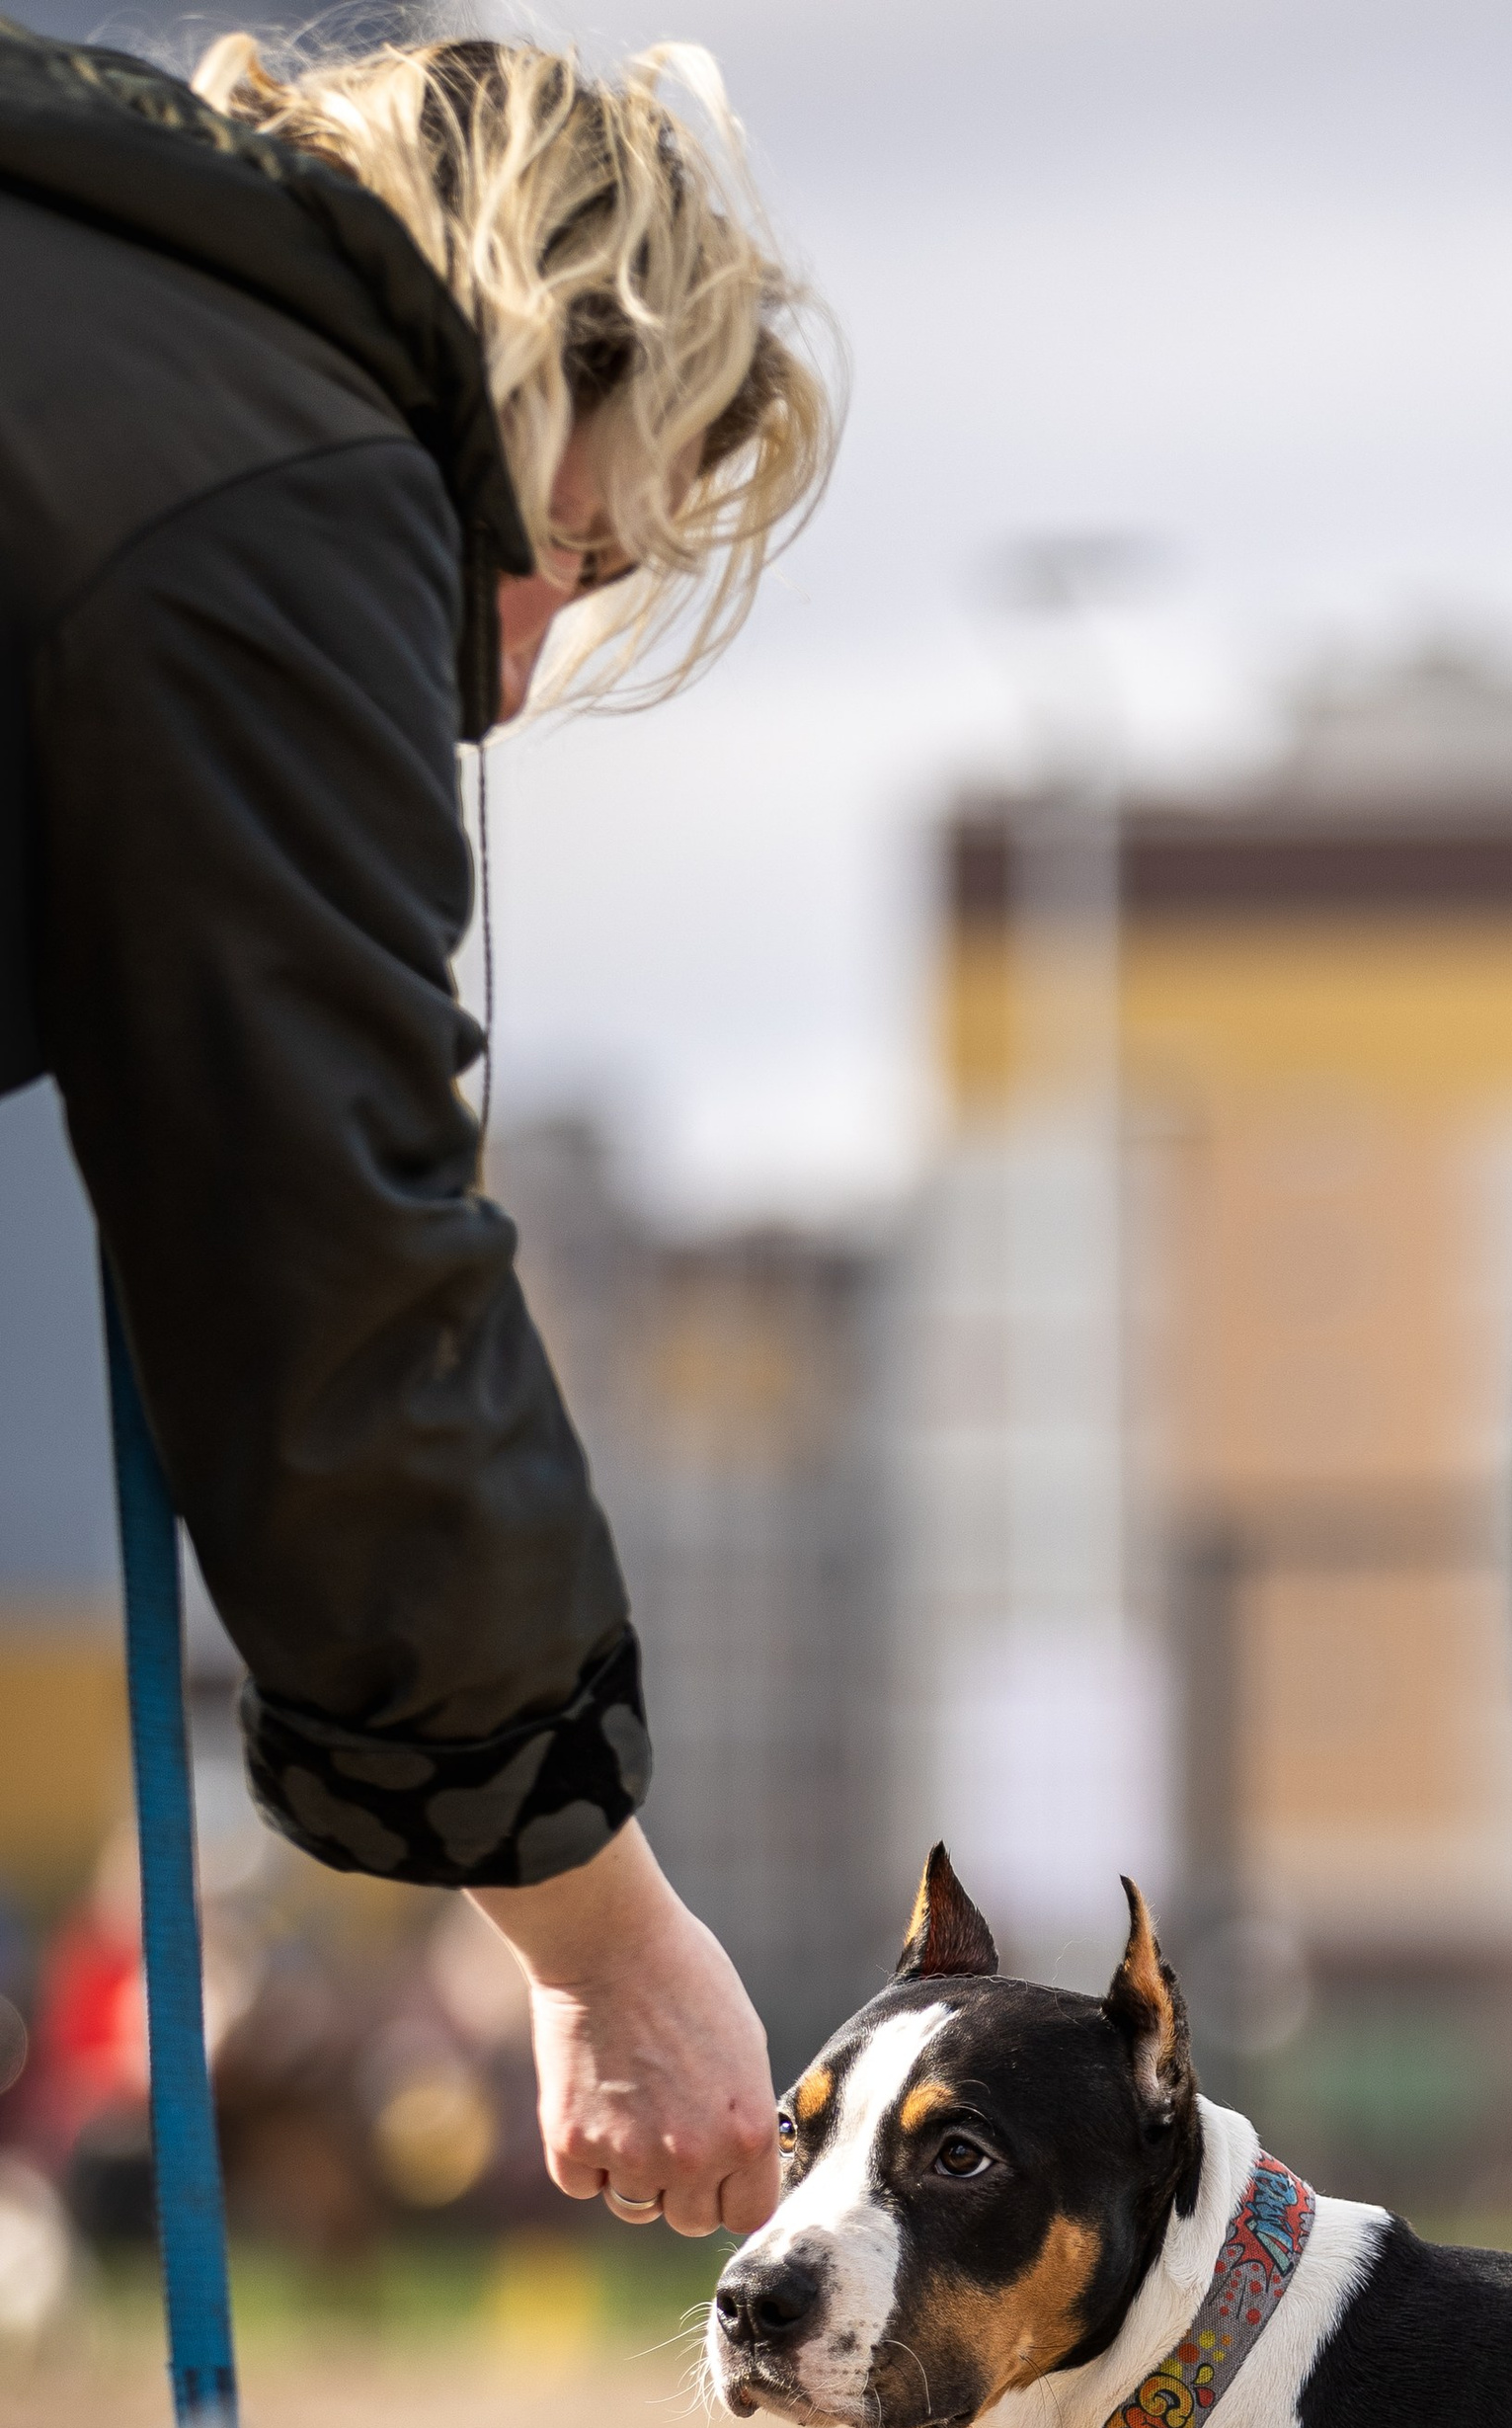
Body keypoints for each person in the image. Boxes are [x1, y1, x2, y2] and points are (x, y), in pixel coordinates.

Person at [0, 21, 838, 2238]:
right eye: (570, 541)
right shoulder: (269, 459)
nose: (518, 672)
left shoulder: (89, 307)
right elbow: (334, 1272)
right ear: (524, 342)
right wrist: (607, 1941)